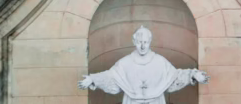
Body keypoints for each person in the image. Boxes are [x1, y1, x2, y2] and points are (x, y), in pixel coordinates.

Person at [78, 26, 209, 104]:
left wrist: (193, 74)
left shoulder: (159, 61)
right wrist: (92, 79)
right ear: (134, 41)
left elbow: (175, 77)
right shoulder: (125, 63)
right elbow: (111, 78)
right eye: (139, 42)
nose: (142, 46)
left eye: (145, 42)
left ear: (150, 42)